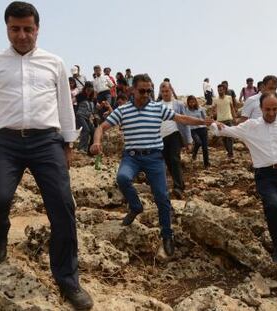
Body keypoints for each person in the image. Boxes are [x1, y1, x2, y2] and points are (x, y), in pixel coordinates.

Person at [0, 2, 93, 309]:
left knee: (63, 207)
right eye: (15, 29)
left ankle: (68, 280)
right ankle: (0, 232)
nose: (22, 35)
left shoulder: (54, 63)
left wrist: (68, 143)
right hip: (5, 142)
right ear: (7, 28)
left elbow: (65, 106)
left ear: (38, 29)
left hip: (46, 142)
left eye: (28, 29)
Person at [90, 74, 212, 257]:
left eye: (149, 90)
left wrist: (204, 122)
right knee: (122, 178)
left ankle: (167, 235)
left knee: (162, 197)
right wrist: (96, 142)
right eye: (142, 90)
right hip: (131, 157)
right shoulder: (123, 110)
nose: (146, 94)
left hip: (154, 158)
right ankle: (136, 206)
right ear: (133, 90)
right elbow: (101, 127)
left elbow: (181, 118)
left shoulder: (157, 108)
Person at [211, 92, 277, 264]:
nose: (271, 113)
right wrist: (214, 125)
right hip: (265, 175)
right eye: (267, 109)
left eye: (274, 109)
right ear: (261, 108)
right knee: (273, 206)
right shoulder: (250, 126)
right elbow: (226, 131)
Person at [159, 81, 192, 199]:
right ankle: (180, 184)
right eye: (163, 91)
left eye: (167, 91)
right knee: (168, 162)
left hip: (175, 134)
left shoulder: (178, 104)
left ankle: (177, 187)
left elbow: (186, 122)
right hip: (162, 138)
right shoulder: (158, 105)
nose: (165, 93)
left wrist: (188, 140)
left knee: (174, 159)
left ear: (171, 91)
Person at [212, 83, 237, 158]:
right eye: (219, 90)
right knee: (224, 138)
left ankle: (230, 153)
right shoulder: (215, 99)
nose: (220, 91)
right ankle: (229, 151)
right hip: (220, 121)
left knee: (229, 137)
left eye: (221, 90)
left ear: (224, 90)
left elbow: (232, 108)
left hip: (229, 119)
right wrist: (213, 116)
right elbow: (213, 109)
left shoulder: (229, 98)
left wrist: (234, 118)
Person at [186, 95, 209, 168]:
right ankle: (194, 153)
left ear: (196, 102)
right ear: (188, 103)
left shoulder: (201, 109)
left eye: (193, 102)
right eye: (190, 102)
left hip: (203, 129)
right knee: (198, 142)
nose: (192, 103)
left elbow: (205, 118)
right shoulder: (186, 110)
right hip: (193, 130)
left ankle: (206, 164)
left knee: (205, 148)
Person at [75, 81, 96, 154]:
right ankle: (82, 149)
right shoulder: (80, 96)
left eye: (90, 90)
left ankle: (90, 151)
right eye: (88, 89)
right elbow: (74, 101)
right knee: (86, 130)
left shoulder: (92, 98)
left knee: (94, 132)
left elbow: (95, 108)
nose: (89, 91)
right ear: (85, 89)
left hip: (88, 118)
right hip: (80, 116)